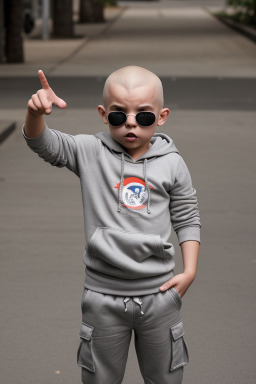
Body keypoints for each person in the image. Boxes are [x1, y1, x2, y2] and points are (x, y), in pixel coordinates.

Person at [22, 65, 201, 384]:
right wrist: (36, 113)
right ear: (104, 114)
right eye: (119, 115)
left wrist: (189, 271)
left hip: (159, 295)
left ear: (161, 116)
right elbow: (43, 143)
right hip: (102, 295)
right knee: (99, 378)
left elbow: (186, 215)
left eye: (143, 115)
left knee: (166, 377)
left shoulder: (173, 162)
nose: (131, 122)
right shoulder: (89, 151)